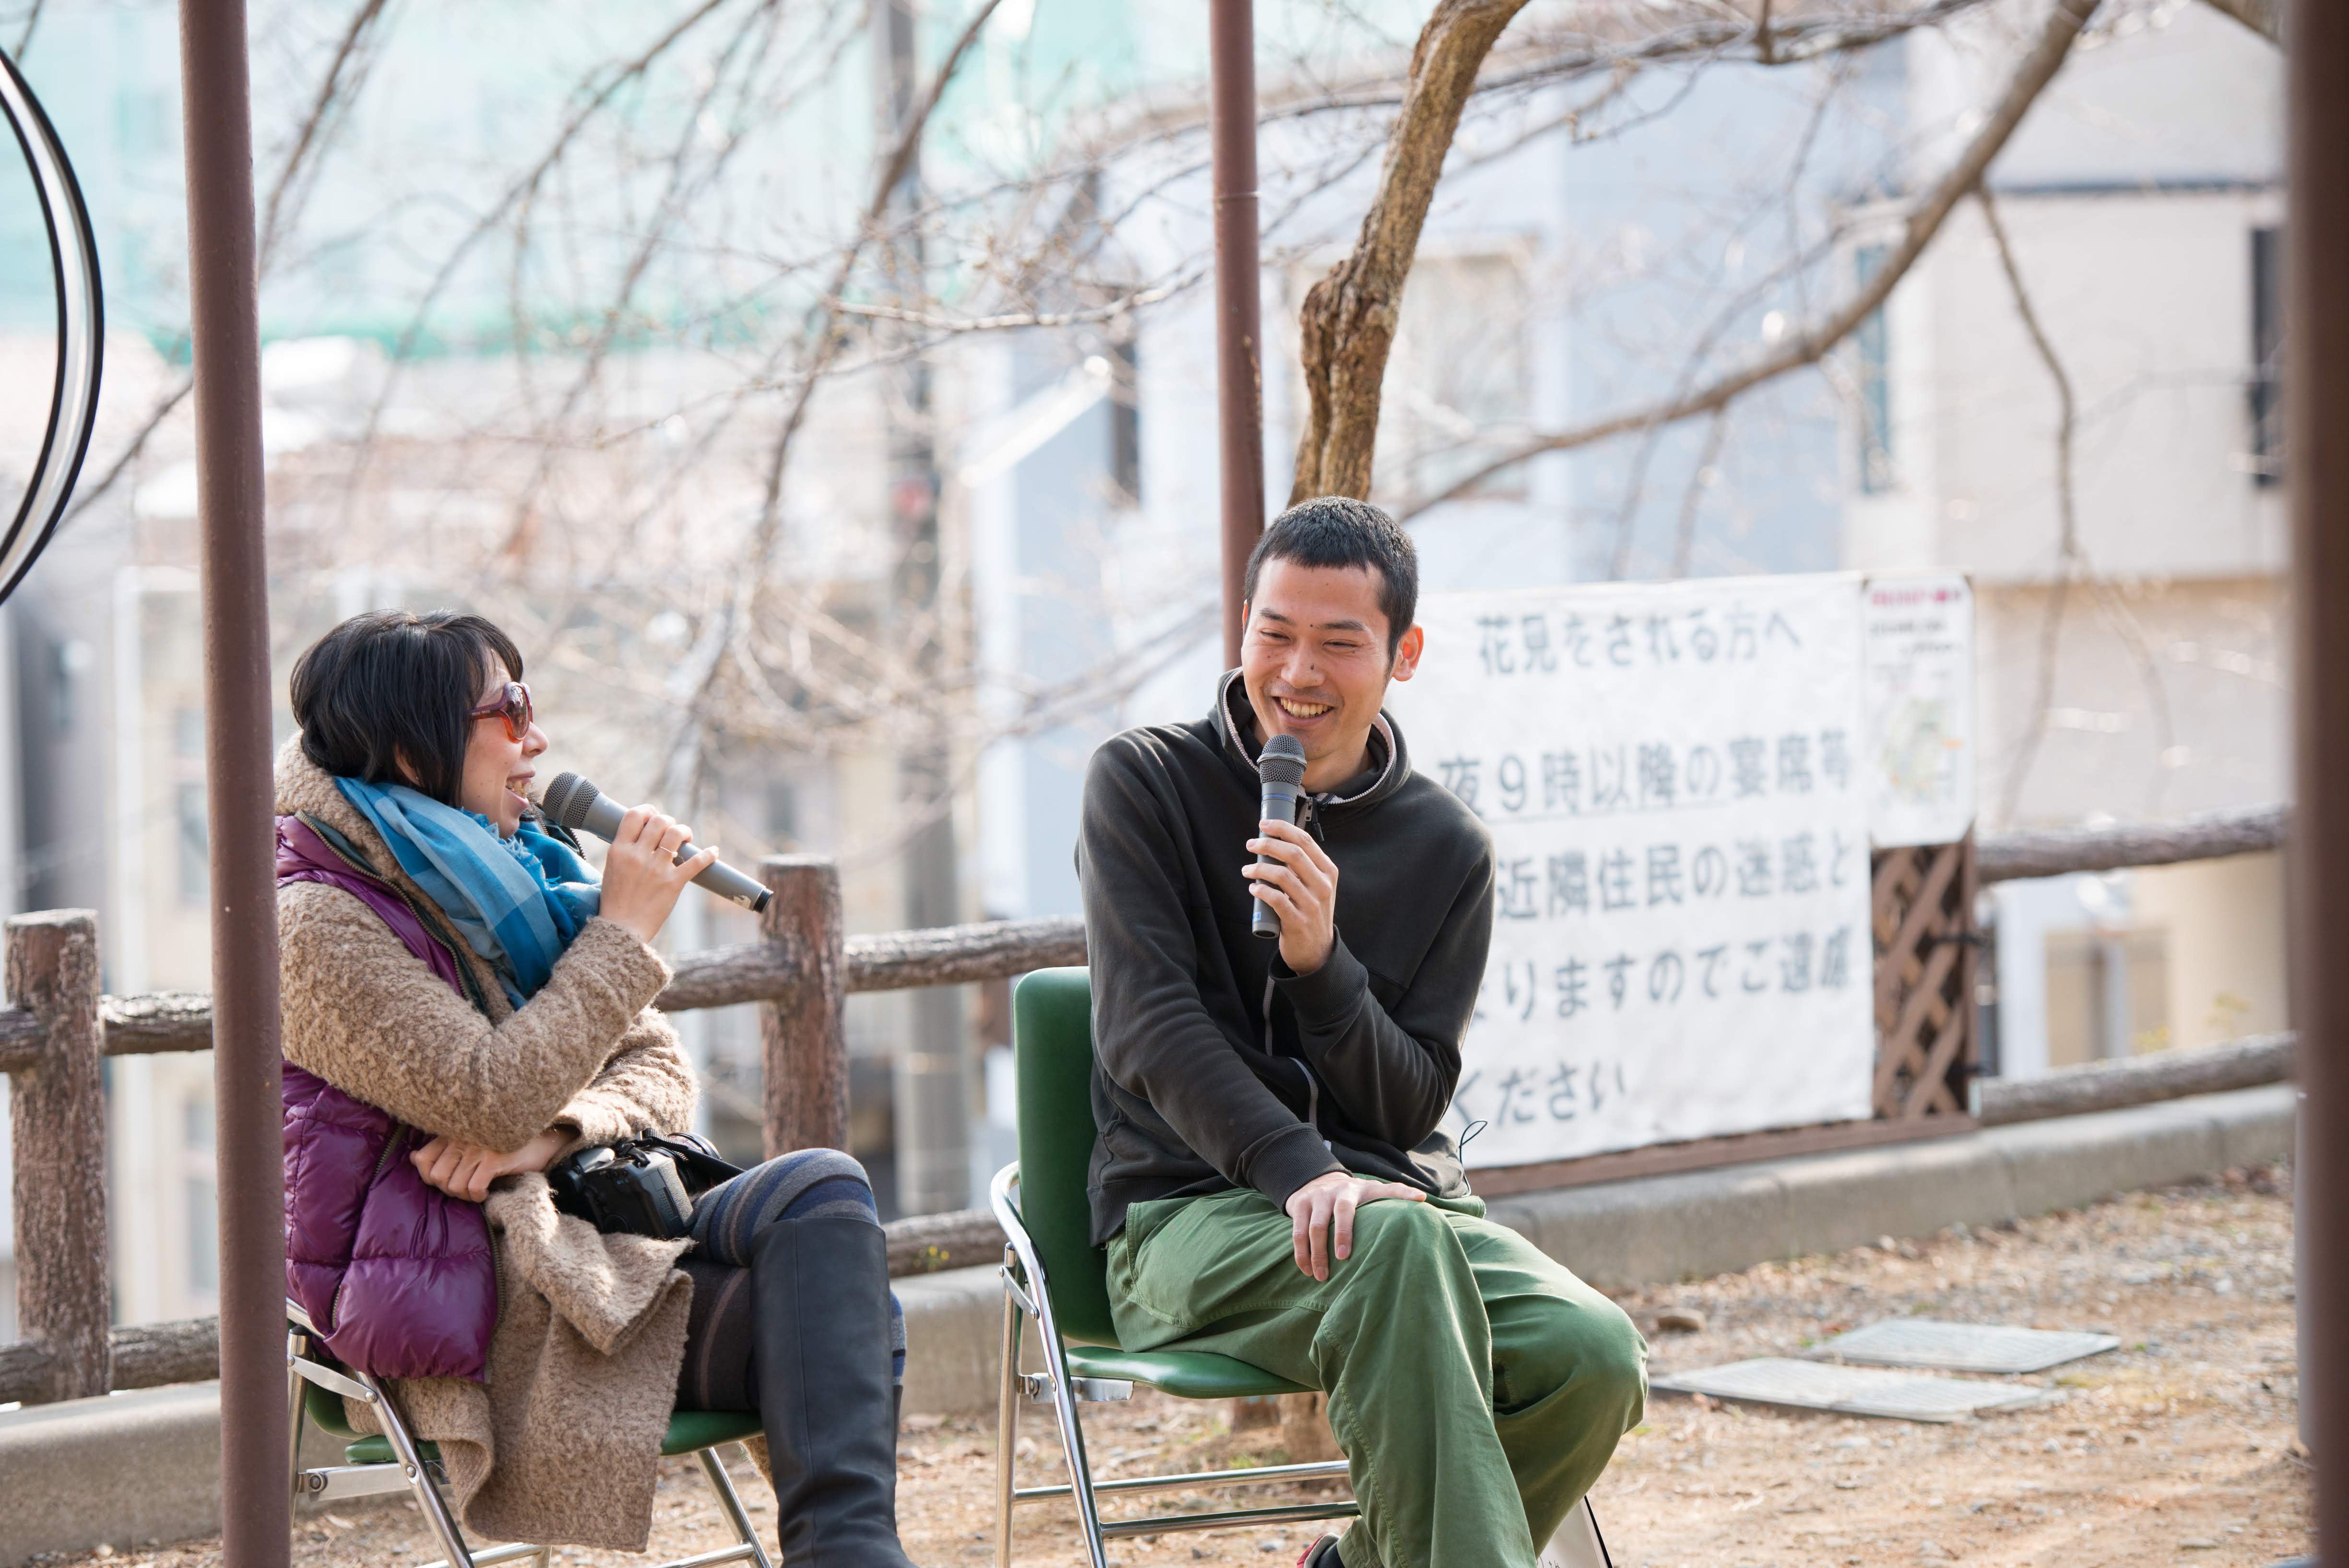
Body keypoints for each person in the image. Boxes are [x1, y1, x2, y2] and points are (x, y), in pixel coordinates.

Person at [275, 609, 918, 1566]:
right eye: (508, 708)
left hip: (591, 1220)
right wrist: (621, 936)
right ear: (411, 748)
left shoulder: (521, 868)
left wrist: (557, 1133)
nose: (535, 739)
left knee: (824, 1189)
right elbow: (486, 1094)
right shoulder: (317, 923)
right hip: (469, 1295)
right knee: (838, 1317)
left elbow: (657, 1069)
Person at [1077, 498, 1648, 1568]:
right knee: (1386, 1239)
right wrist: (1301, 1168)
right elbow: (1145, 1026)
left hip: (1396, 1216)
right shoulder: (1145, 782)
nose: (1298, 670)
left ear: (1404, 653)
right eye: (1275, 632)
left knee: (1594, 1351)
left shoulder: (1447, 846)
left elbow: (1409, 1101)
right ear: (1242, 624)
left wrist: (1322, 967)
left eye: (1339, 641)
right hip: (1187, 1217)